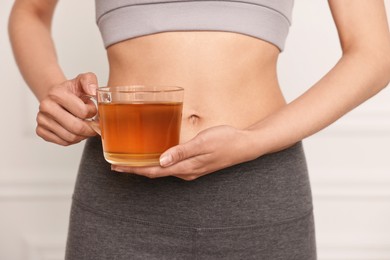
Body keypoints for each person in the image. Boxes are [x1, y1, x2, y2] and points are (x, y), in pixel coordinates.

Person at [8, 0, 390, 259]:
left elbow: (373, 54)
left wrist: (254, 141)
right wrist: (54, 94)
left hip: (259, 194)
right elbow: (31, 12)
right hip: (121, 195)